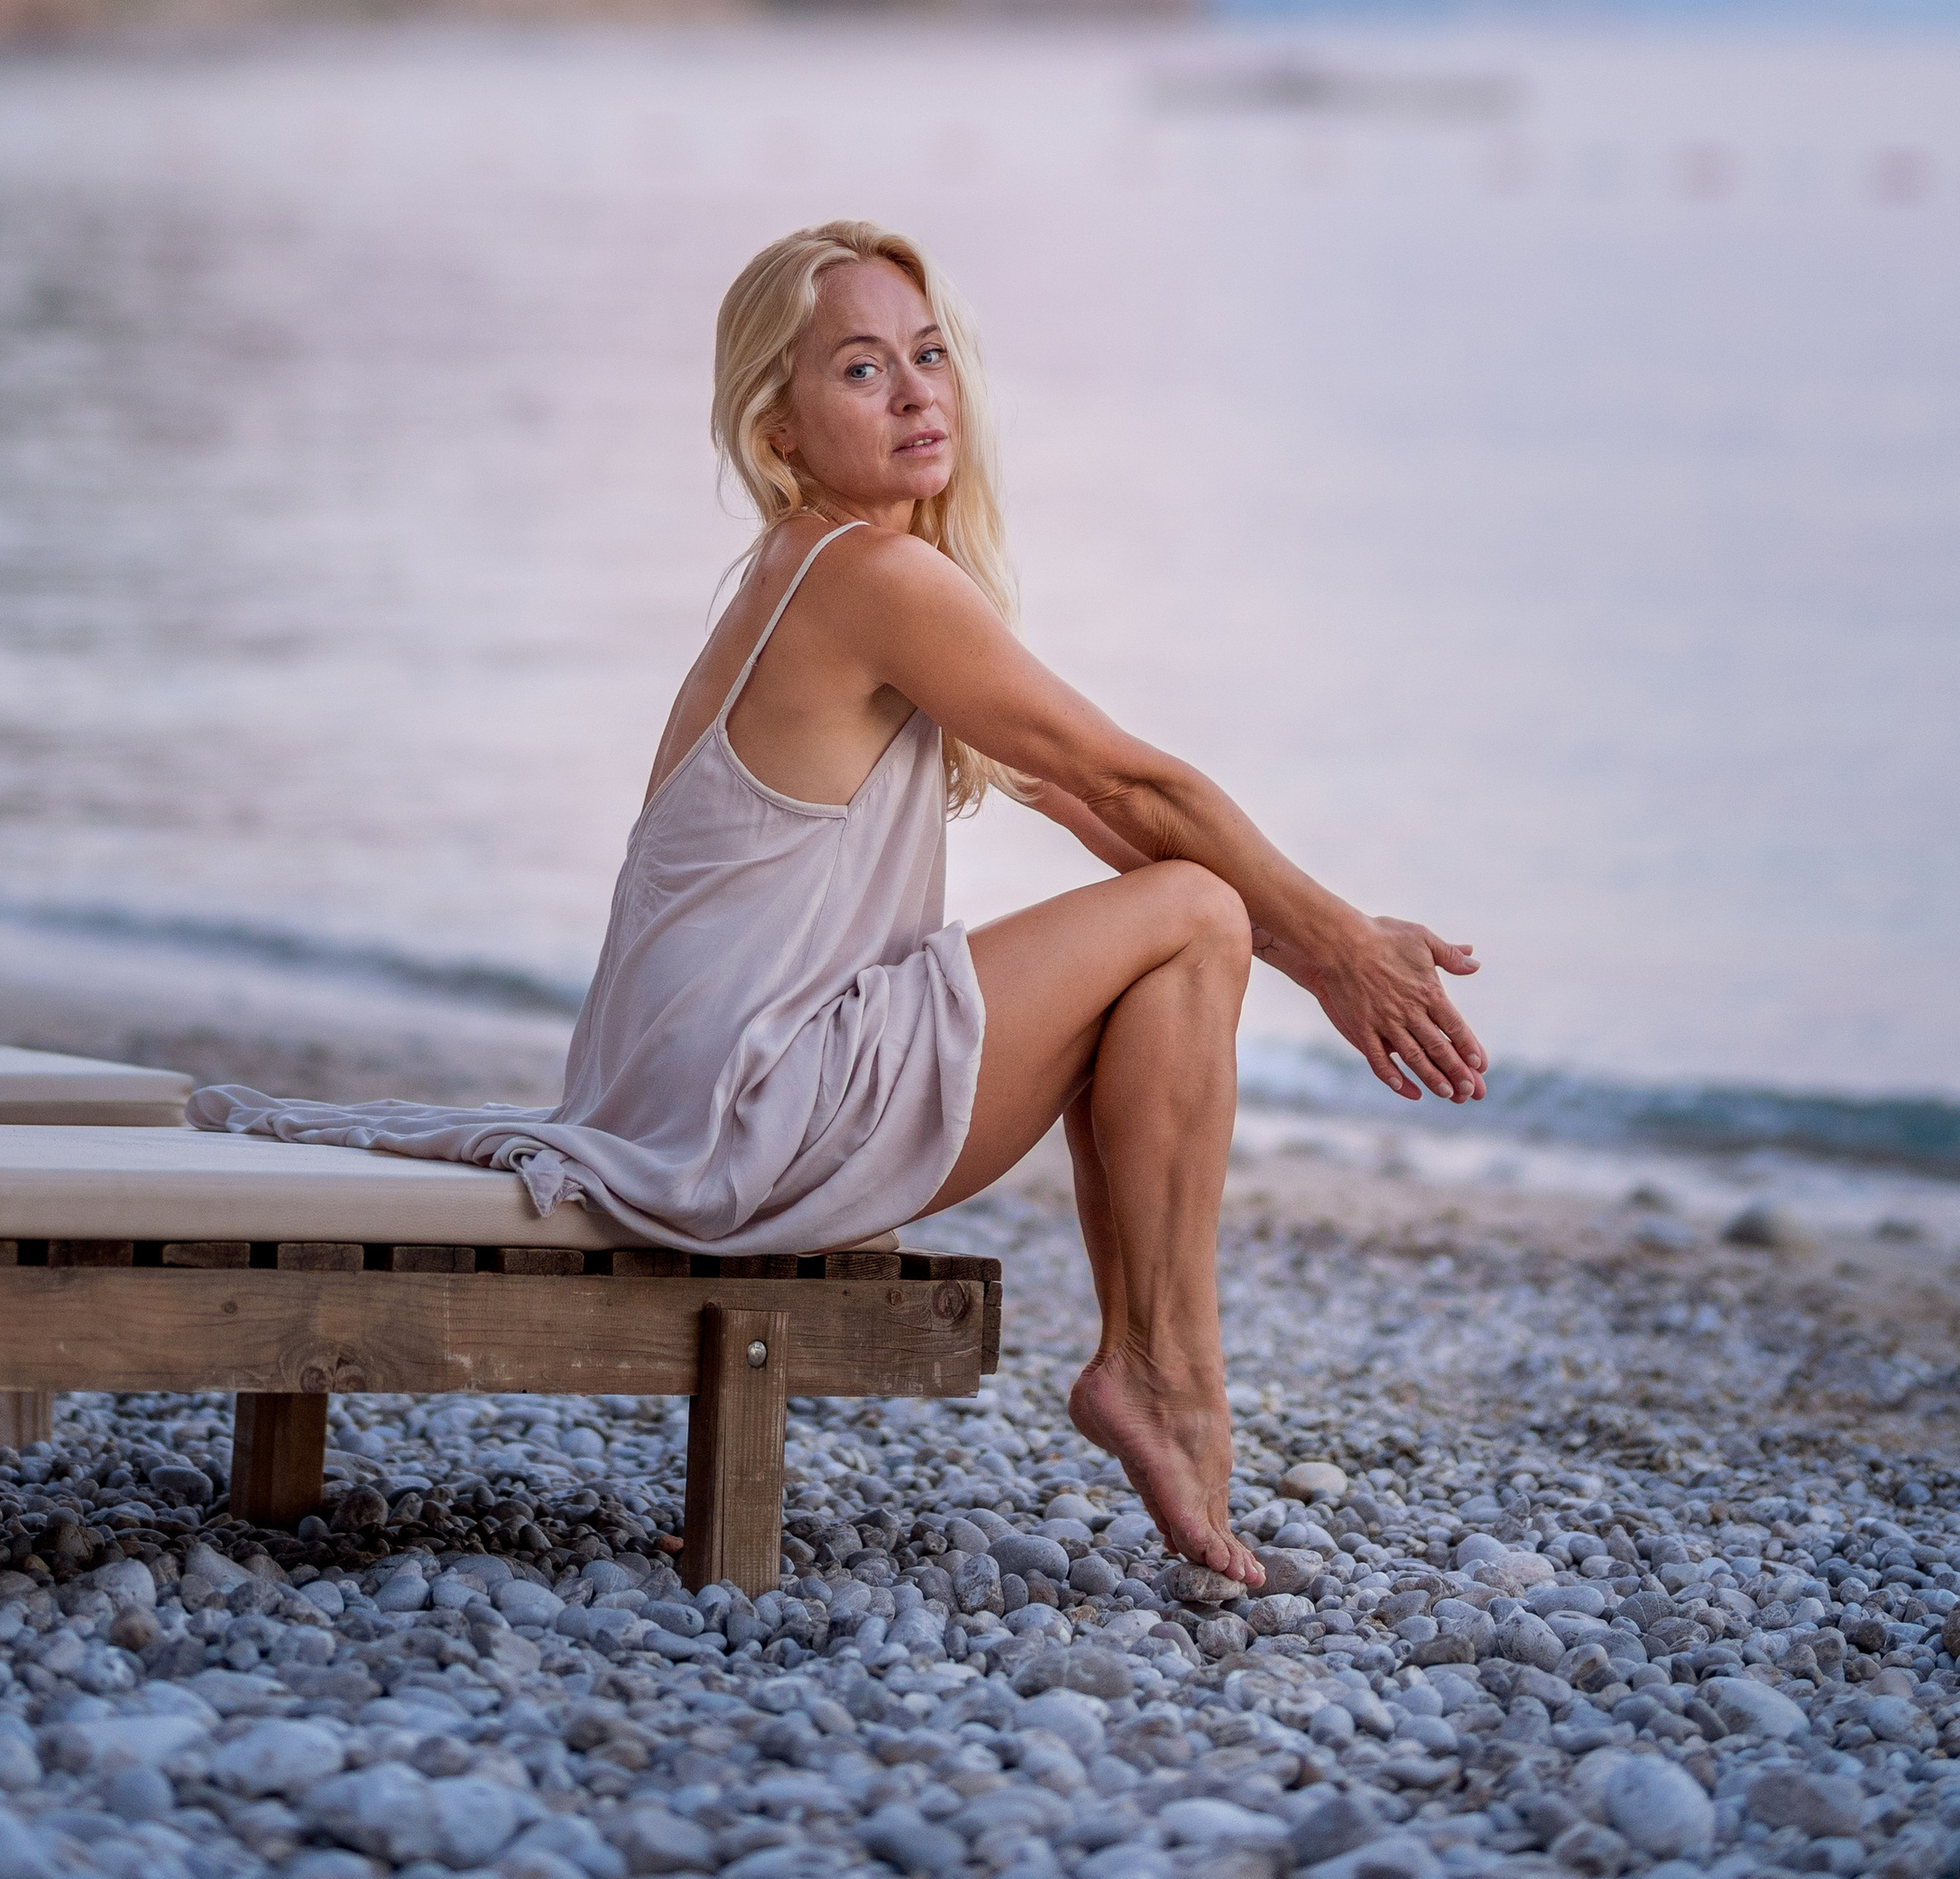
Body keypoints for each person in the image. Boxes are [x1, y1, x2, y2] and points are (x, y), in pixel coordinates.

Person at [192, 217, 1487, 1577]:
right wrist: (1341, 947)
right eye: (862, 371)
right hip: (751, 1112)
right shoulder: (870, 578)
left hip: (696, 1100)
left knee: (1182, 928)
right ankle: (1167, 1378)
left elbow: (1104, 811)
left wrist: (1322, 956)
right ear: (779, 433)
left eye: (929, 357)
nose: (920, 393)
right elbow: (1144, 787)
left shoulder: (815, 573)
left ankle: (1157, 1374)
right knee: (1191, 914)